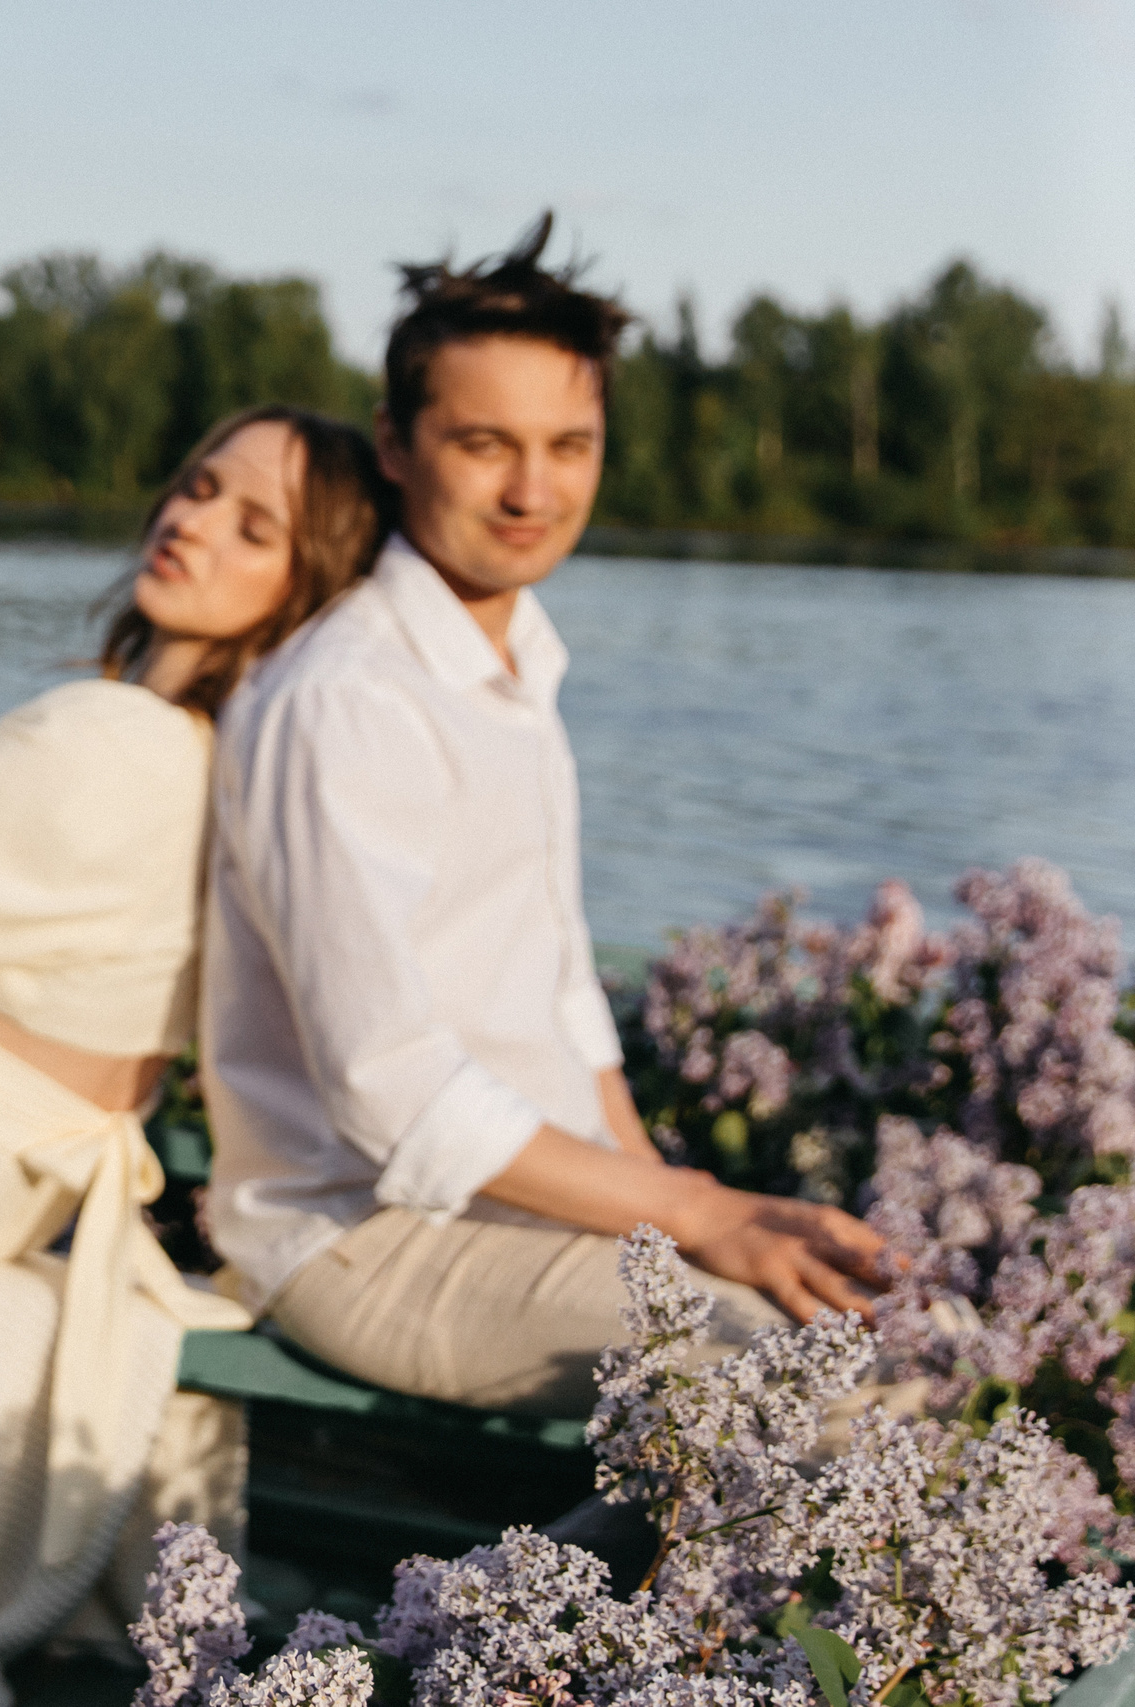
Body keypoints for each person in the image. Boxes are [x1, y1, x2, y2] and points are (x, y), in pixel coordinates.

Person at [200, 218, 889, 1417]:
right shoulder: (345, 700)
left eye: (568, 445)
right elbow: (391, 1096)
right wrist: (696, 1213)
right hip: (364, 1236)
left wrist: (674, 1203)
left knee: (873, 1324)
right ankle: (526, 1612)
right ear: (396, 448)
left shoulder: (517, 668)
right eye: (485, 444)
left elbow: (566, 1004)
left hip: (530, 1209)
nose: (533, 489)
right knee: (807, 1384)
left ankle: (530, 1604)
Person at [0, 406, 392, 1703]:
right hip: (22, 1164)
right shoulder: (230, 764)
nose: (190, 518)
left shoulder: (124, 743)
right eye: (199, 485)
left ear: (305, 591)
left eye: (253, 525)